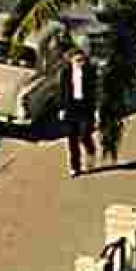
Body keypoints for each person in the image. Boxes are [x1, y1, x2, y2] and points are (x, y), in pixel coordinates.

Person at [58, 47, 99, 177]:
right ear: (70, 60)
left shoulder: (90, 71)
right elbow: (62, 92)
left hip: (86, 108)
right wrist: (62, 108)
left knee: (85, 134)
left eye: (82, 60)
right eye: (78, 60)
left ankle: (90, 151)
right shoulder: (65, 73)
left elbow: (96, 91)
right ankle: (75, 166)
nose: (81, 62)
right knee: (72, 139)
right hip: (71, 108)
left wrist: (97, 109)